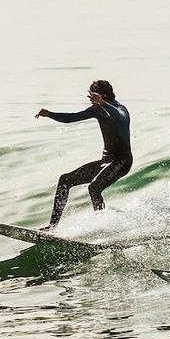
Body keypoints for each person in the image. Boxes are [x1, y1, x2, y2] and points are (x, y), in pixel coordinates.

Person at [35, 80, 132, 230]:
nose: (91, 101)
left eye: (93, 97)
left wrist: (103, 103)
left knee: (94, 188)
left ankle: (104, 228)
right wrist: (49, 114)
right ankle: (52, 226)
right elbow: (71, 118)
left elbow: (121, 118)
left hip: (122, 161)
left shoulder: (120, 109)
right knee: (65, 180)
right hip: (106, 161)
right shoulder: (97, 109)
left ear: (102, 96)